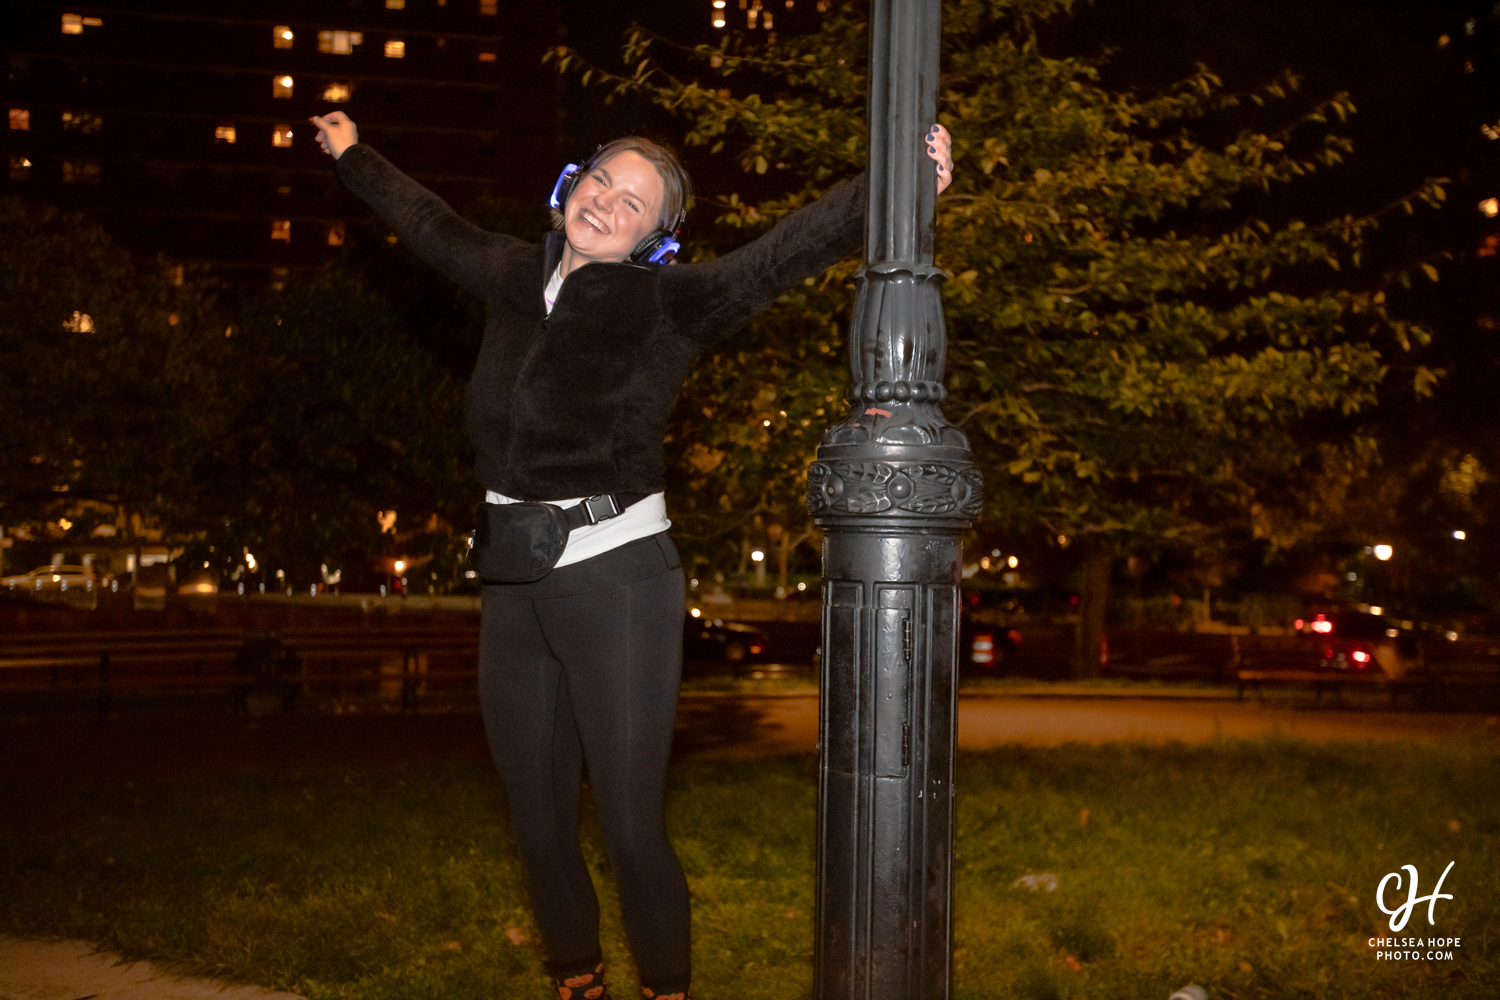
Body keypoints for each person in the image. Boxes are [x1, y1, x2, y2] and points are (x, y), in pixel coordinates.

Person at [312, 109, 953, 1000]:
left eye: (632, 203)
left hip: (616, 578)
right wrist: (353, 155)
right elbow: (428, 222)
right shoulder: (513, 274)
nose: (606, 204)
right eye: (600, 182)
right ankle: (577, 979)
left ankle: (665, 988)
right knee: (537, 820)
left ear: (655, 236)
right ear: (569, 186)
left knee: (627, 823)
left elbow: (780, 255)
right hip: (513, 577)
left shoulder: (667, 304)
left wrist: (903, 189)